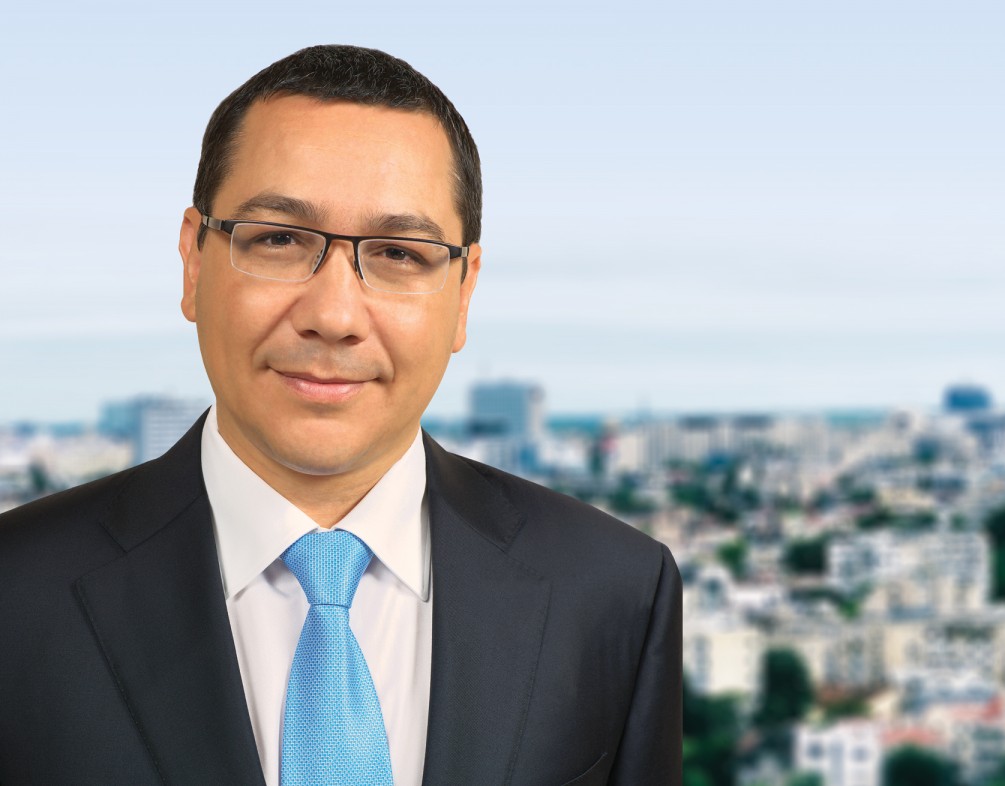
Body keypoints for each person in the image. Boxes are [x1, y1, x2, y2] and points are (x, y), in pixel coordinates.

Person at [0, 45, 682, 785]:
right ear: (193, 261)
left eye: (398, 253)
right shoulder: (16, 593)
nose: (333, 315)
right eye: (279, 239)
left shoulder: (615, 592)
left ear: (464, 293)